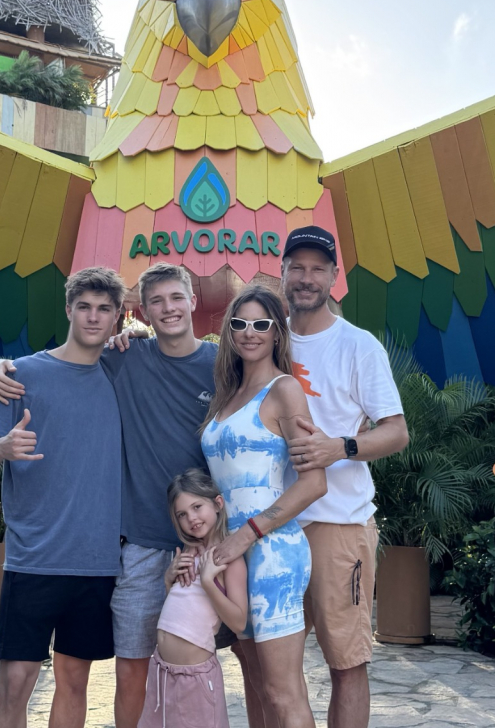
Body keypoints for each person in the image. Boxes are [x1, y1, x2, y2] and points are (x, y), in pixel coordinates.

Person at [0, 262, 221, 728]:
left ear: (192, 300)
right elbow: (56, 368)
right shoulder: (112, 358)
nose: (168, 308)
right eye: (156, 301)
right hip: (111, 550)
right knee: (81, 675)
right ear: (143, 312)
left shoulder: (217, 366)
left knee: (200, 668)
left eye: (176, 297)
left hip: (198, 546)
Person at [0, 266, 125, 728]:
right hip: (33, 558)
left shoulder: (123, 371)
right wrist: (1, 448)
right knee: (16, 682)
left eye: (104, 309)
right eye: (84, 307)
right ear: (68, 310)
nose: (93, 317)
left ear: (118, 317)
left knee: (74, 683)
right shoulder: (24, 374)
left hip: (97, 562)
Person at [281, 226, 409, 728]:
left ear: (335, 276)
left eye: (318, 268)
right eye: (298, 267)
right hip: (273, 525)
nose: (307, 277)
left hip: (339, 526)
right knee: (271, 664)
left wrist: (342, 447)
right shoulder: (262, 339)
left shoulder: (359, 346)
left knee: (347, 662)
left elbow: (396, 431)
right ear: (283, 273)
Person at [202, 284, 328, 728]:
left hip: (272, 552)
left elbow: (314, 482)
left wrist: (246, 534)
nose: (249, 332)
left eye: (261, 324)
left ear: (277, 332)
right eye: (239, 323)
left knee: (281, 691)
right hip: (233, 557)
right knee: (256, 683)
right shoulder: (228, 392)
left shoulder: (285, 389)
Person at [138, 469, 248, 728]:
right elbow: (182, 611)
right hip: (162, 672)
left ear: (217, 504)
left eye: (197, 507)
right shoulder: (189, 551)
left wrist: (209, 582)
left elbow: (239, 622)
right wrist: (168, 581)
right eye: (182, 514)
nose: (192, 518)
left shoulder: (228, 559)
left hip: (195, 679)